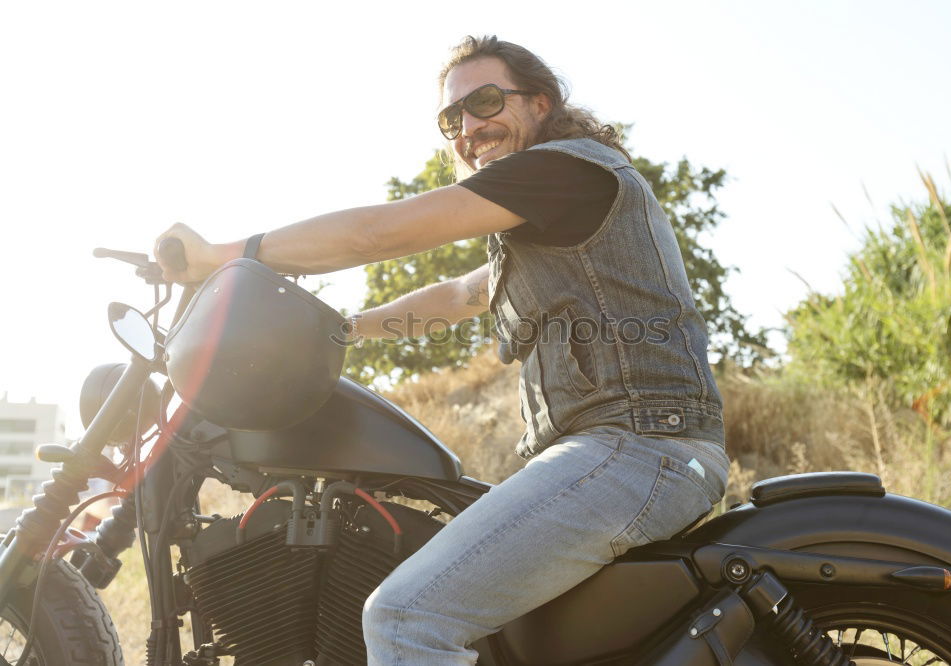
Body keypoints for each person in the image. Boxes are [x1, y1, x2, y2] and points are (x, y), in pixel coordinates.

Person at [155, 35, 729, 666]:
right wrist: (339, 328)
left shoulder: (566, 168)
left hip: (638, 449)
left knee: (405, 617)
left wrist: (220, 257)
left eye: (485, 102)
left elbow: (375, 233)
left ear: (541, 102)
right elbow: (460, 296)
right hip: (624, 450)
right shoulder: (548, 224)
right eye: (452, 118)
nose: (470, 127)